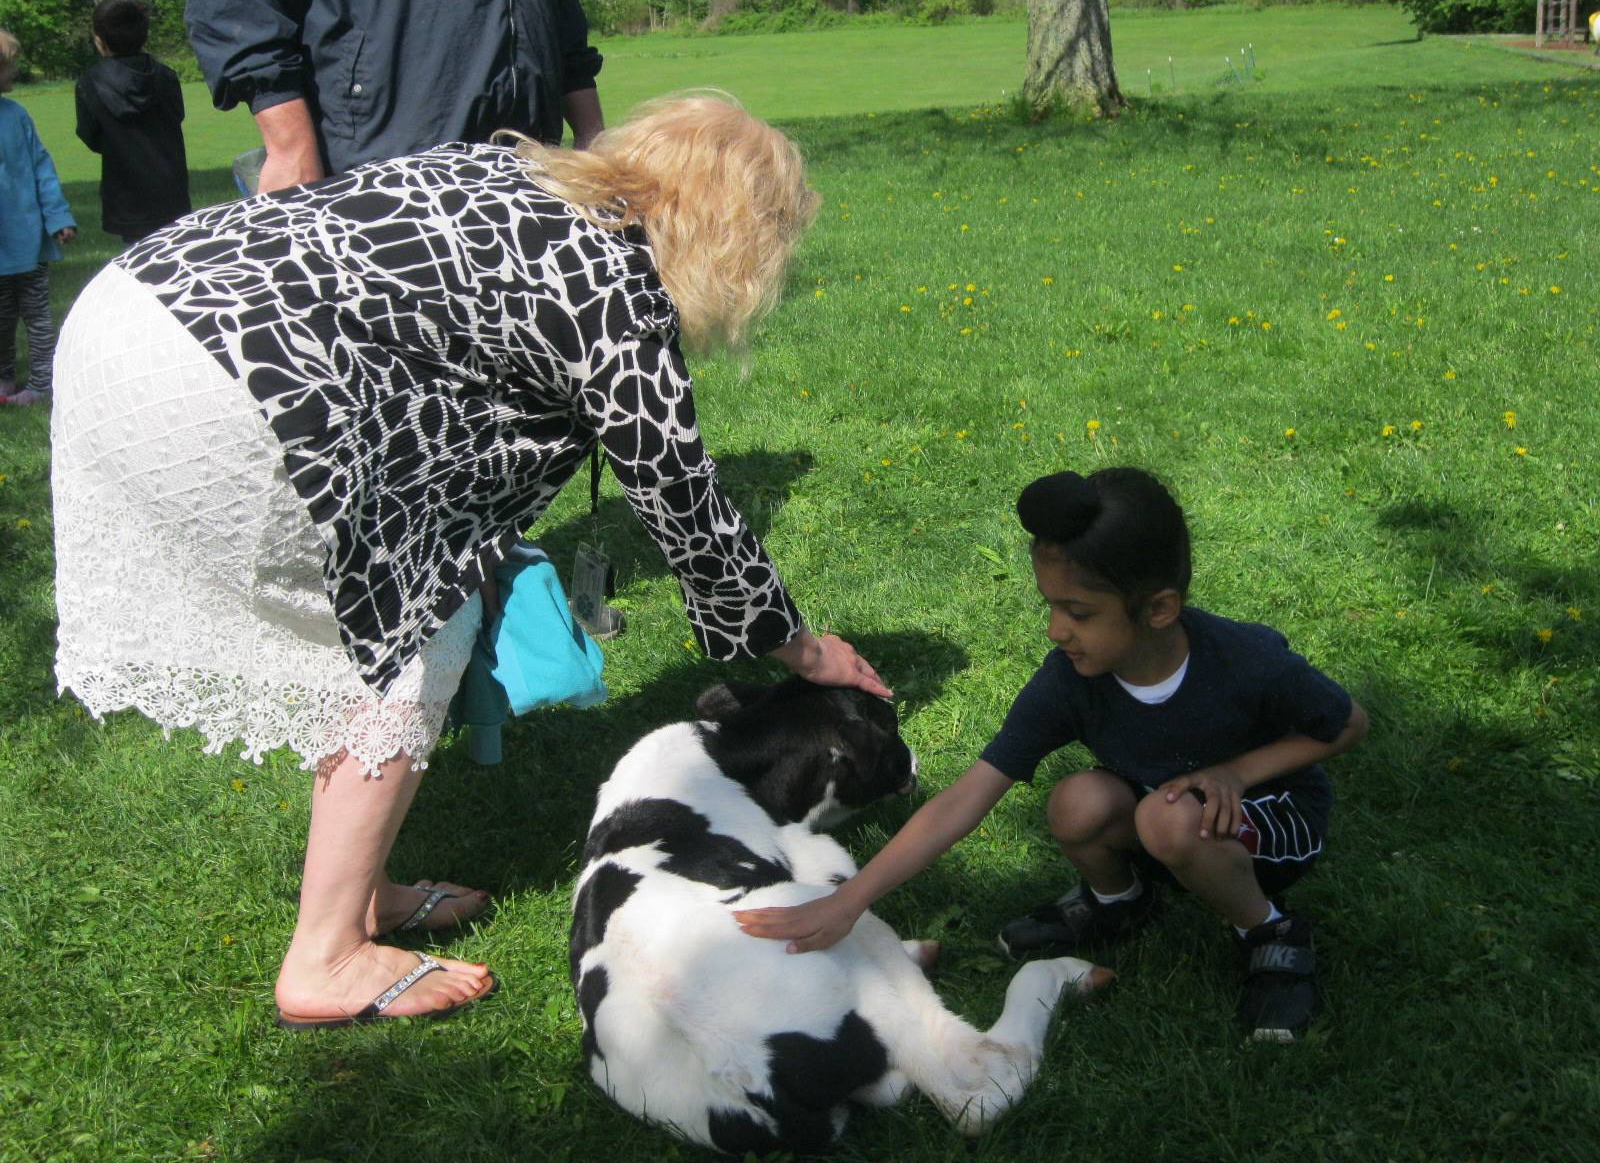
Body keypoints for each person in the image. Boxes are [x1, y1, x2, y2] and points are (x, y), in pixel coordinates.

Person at [51, 94, 890, 1030]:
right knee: (412, 629)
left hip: (131, 310)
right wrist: (805, 652)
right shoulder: (616, 278)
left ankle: (363, 892)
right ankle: (327, 957)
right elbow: (682, 499)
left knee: (376, 619)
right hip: (227, 380)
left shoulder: (516, 172)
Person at [736, 467, 1369, 1042]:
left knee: (1167, 816)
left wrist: (1236, 771)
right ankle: (1119, 901)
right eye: (1051, 606)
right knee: (1077, 801)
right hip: (1172, 814)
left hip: (1275, 820)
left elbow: (1346, 723)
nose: (1056, 629)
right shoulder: (1072, 678)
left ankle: (1269, 931)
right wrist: (851, 900)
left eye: (1078, 611)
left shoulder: (1244, 659)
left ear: (1158, 610)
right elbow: (967, 795)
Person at [186, 0, 606, 194]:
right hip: (379, 174)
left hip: (527, 171)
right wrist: (290, 149)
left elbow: (562, 21)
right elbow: (237, 2)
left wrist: (592, 139)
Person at [74, 0, 192, 245]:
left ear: (100, 39)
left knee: (139, 266)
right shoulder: (166, 76)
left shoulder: (89, 83)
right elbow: (177, 116)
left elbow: (90, 134)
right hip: (172, 191)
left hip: (126, 193)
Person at [0, 29, 76, 408]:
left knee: (38, 319)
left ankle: (43, 382)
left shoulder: (16, 116)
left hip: (28, 241)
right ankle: (4, 380)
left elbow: (41, 169)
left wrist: (58, 217)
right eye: (8, 68)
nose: (13, 74)